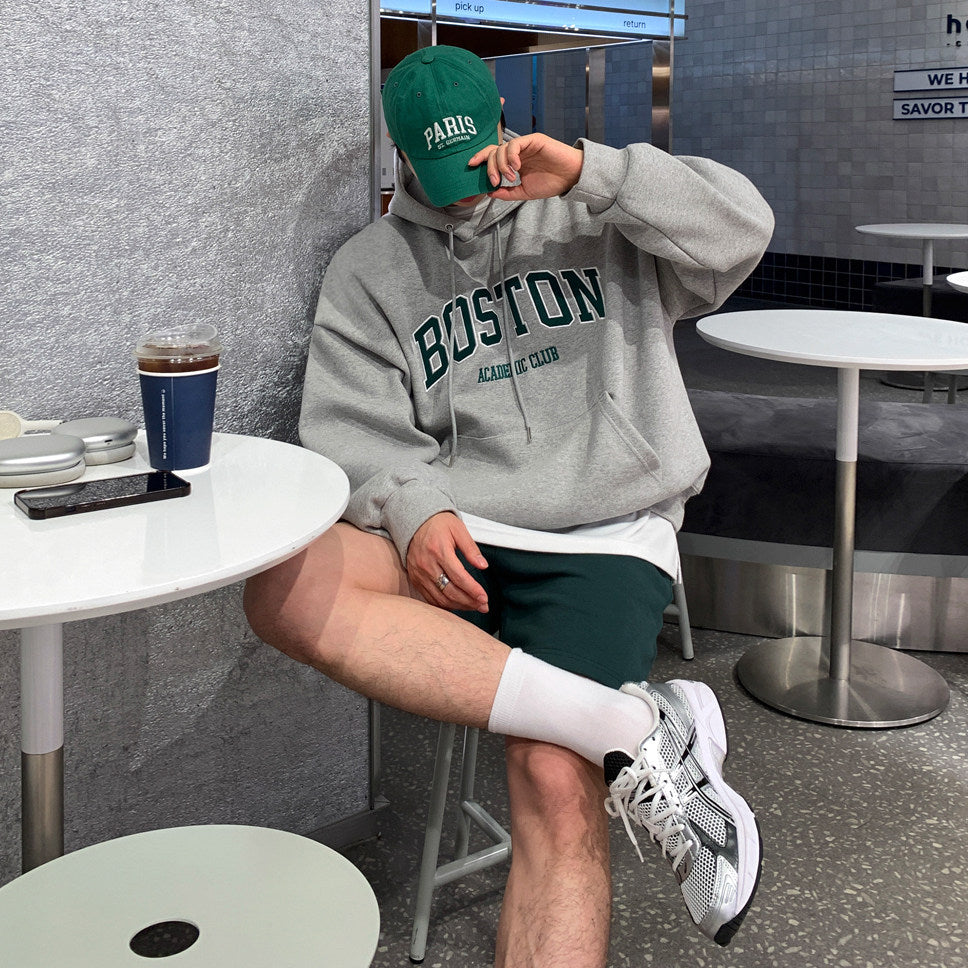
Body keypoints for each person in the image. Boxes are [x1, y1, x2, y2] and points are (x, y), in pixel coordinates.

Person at [244, 45, 774, 968]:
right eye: (434, 170)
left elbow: (742, 231)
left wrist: (598, 173)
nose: (462, 195)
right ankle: (638, 731)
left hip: (607, 531)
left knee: (553, 781)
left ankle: (608, 737)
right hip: (466, 525)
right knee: (283, 584)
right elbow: (350, 429)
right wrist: (413, 505)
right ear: (401, 156)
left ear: (501, 123)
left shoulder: (594, 212)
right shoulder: (369, 269)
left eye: (473, 160)